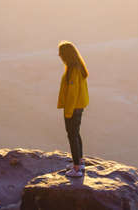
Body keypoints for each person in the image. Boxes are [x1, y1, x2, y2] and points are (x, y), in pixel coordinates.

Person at [57, 41, 89, 177]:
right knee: (76, 133)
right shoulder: (78, 67)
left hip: (73, 107)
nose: (59, 55)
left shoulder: (73, 70)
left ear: (66, 55)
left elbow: (72, 93)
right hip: (79, 106)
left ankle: (76, 169)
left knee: (72, 135)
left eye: (61, 53)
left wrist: (68, 111)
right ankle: (80, 161)